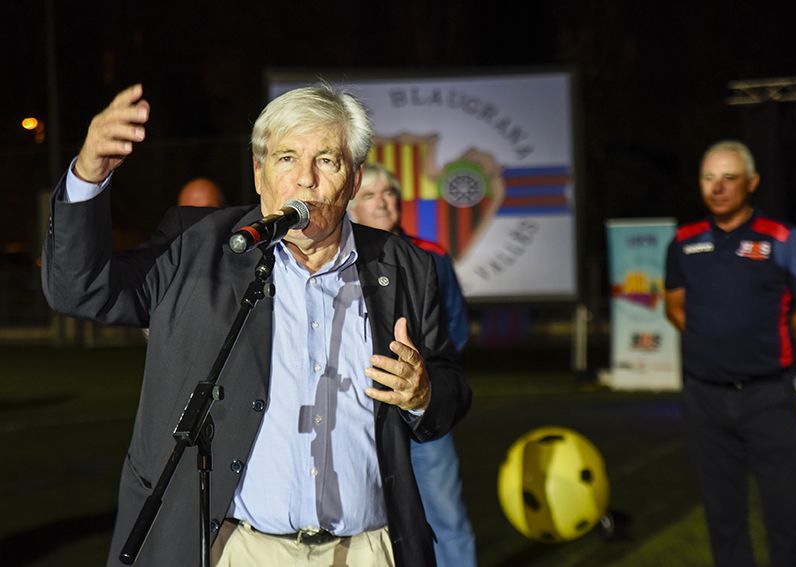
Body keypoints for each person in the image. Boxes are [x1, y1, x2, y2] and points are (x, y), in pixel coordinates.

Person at [41, 83, 471, 567]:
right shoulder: (196, 246)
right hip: (236, 548)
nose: (305, 179)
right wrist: (88, 174)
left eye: (326, 160)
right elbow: (80, 290)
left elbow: (450, 386)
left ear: (354, 179)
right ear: (258, 172)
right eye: (286, 158)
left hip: (367, 550)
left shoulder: (405, 265)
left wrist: (423, 394)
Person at [664, 140, 796, 567]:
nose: (717, 187)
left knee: (787, 518)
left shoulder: (782, 238)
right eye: (708, 177)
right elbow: (675, 305)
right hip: (705, 400)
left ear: (752, 183)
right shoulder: (682, 242)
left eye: (729, 177)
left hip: (766, 398)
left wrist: (771, 338)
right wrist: (712, 340)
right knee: (723, 520)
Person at [349, 163, 476, 566]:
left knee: (447, 517)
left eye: (389, 193)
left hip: (423, 409)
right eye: (369, 195)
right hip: (363, 415)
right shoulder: (338, 259)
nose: (382, 202)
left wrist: (423, 383)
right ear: (350, 207)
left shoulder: (430, 256)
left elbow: (455, 327)